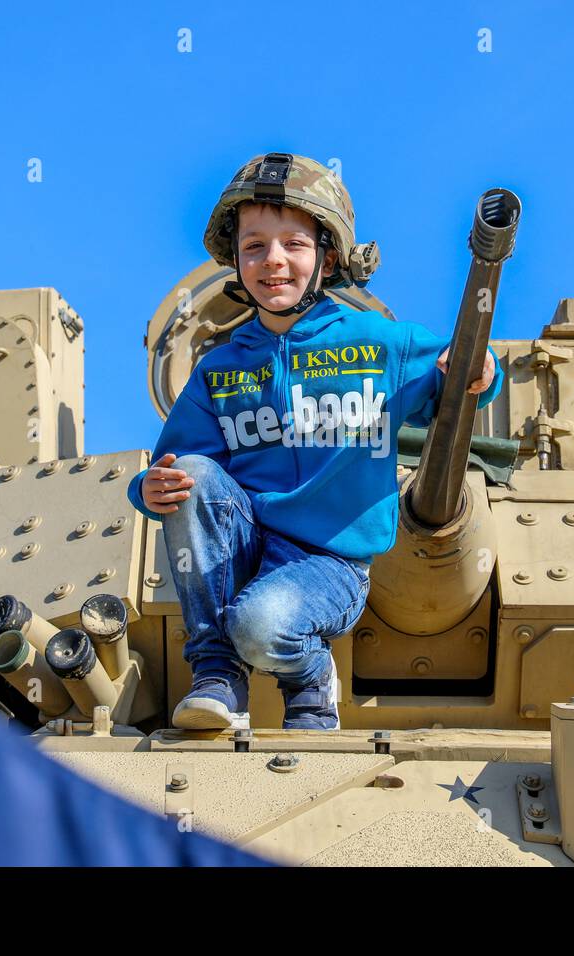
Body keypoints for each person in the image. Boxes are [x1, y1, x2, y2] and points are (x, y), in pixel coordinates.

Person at [126, 152, 503, 731]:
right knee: (194, 476)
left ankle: (309, 681)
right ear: (236, 260)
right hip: (244, 551)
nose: (272, 261)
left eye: (293, 245)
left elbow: (464, 370)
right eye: (254, 246)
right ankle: (217, 675)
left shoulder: (380, 345)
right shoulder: (218, 370)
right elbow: (173, 466)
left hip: (329, 562)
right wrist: (145, 488)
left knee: (260, 625)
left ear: (328, 258)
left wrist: (480, 370)